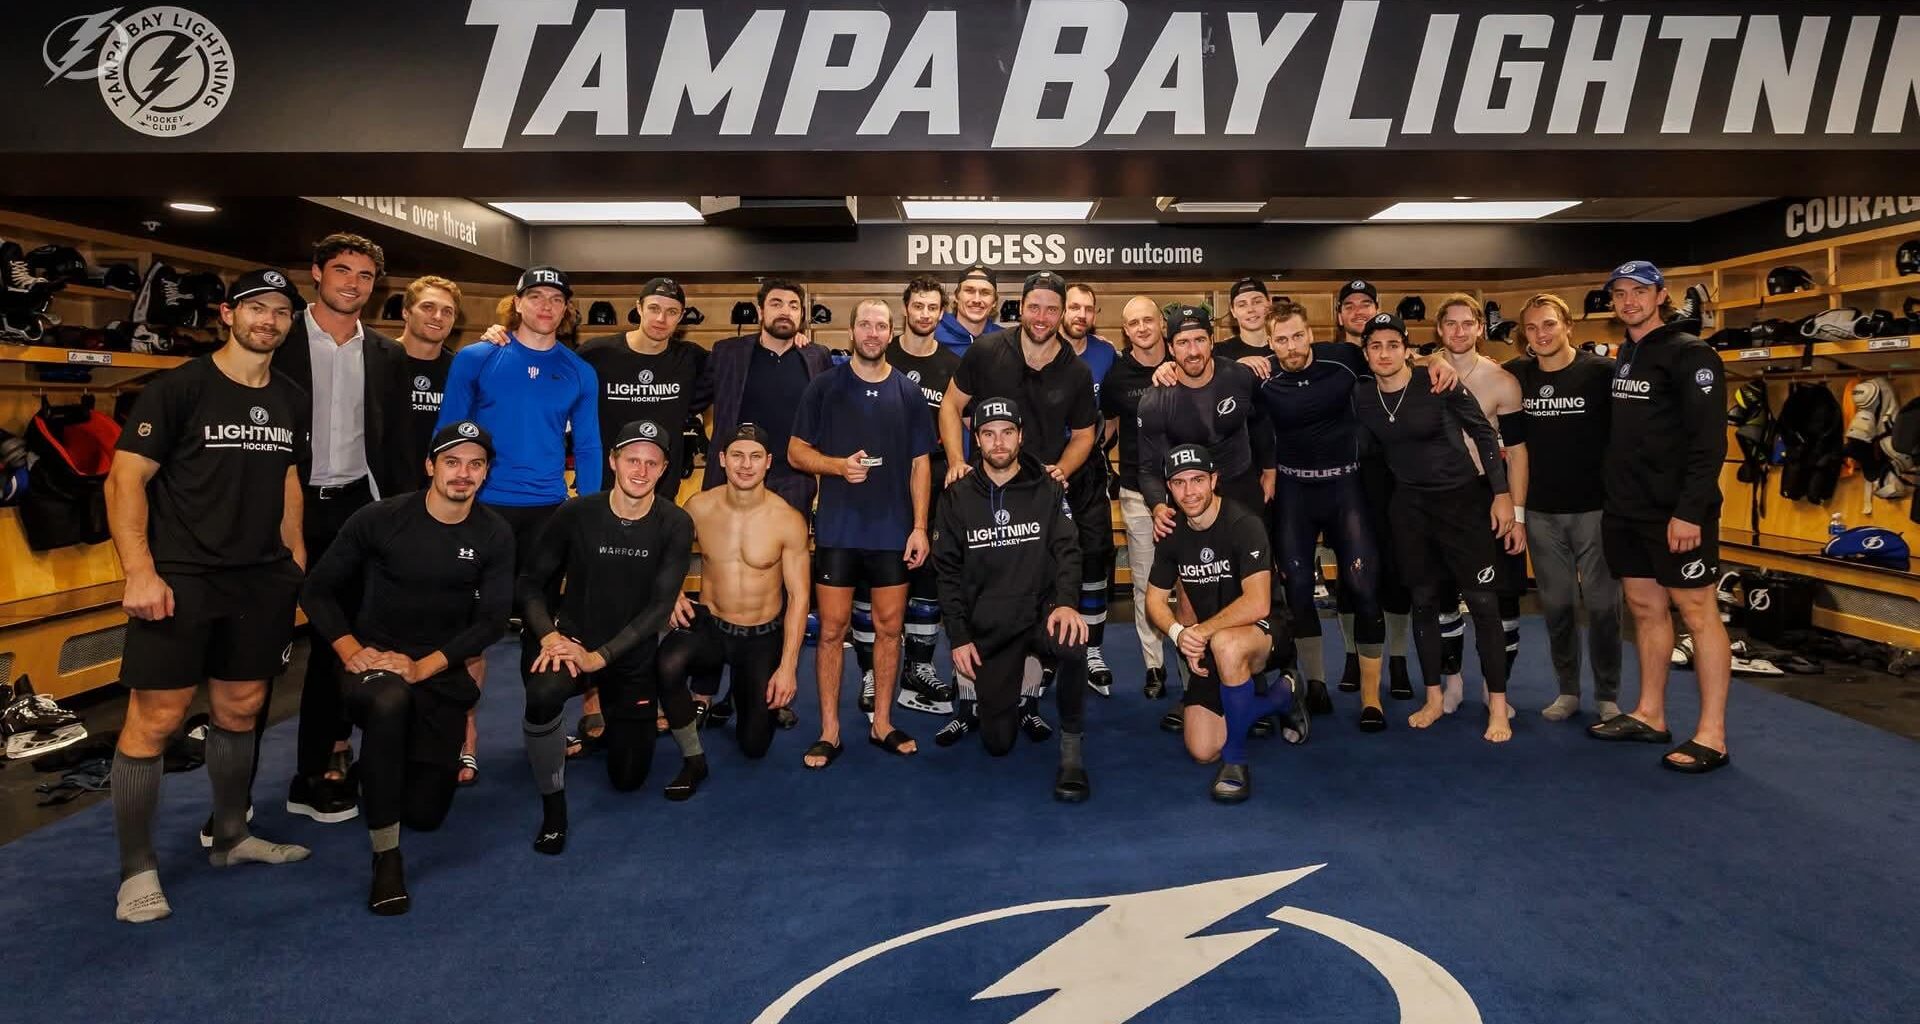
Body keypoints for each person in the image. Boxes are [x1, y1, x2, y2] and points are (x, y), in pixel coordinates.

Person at [106, 268, 314, 923]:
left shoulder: (289, 396)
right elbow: (124, 482)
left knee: (242, 705)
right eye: (256, 308)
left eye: (281, 310)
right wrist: (138, 571)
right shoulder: (179, 389)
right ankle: (136, 869)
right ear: (228, 313)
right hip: (181, 576)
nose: (269, 320)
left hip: (260, 577)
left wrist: (295, 556)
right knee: (158, 717)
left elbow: (286, 476)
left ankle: (231, 835)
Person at [301, 420, 515, 914]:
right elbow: (316, 589)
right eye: (452, 462)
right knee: (390, 702)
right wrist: (350, 648)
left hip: (436, 670)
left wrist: (424, 667)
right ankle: (386, 859)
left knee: (425, 813)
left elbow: (491, 622)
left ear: (485, 474)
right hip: (374, 664)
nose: (463, 474)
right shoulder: (380, 518)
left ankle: (375, 772)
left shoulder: (493, 533)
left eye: (475, 465)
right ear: (430, 466)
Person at [438, 264, 603, 785]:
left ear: (567, 309)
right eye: (536, 296)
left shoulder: (578, 369)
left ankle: (544, 727)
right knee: (468, 628)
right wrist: (451, 501)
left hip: (549, 510)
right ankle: (463, 741)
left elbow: (591, 443)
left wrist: (591, 509)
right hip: (482, 510)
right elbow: (449, 433)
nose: (546, 305)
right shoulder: (478, 358)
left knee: (545, 626)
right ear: (517, 302)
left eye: (556, 298)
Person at [272, 234, 407, 826]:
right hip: (287, 506)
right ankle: (232, 802)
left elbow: (395, 437)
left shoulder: (383, 353)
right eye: (341, 271)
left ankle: (322, 766)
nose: (352, 283)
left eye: (365, 276)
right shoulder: (279, 341)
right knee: (261, 656)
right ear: (315, 273)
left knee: (345, 641)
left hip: (357, 506)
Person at [517, 420, 699, 854]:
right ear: (614, 461)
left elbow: (660, 607)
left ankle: (611, 726)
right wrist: (547, 636)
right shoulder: (578, 512)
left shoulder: (675, 522)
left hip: (629, 654)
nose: (640, 470)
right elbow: (528, 583)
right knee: (542, 694)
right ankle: (554, 811)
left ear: (664, 469)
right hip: (572, 643)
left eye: (651, 463)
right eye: (632, 459)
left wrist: (603, 657)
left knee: (629, 779)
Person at [937, 271, 1098, 745]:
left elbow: (1086, 433)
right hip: (986, 487)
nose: (1043, 317)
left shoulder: (1076, 369)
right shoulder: (986, 351)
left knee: (1043, 590)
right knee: (977, 583)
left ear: (1063, 312)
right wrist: (956, 463)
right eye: (1035, 307)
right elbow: (951, 406)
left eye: (1053, 308)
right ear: (1020, 307)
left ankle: (1030, 696)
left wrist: (1062, 471)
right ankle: (969, 695)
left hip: (1039, 495)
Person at [1587, 261, 1731, 773]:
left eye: (1639, 292)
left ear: (1661, 296)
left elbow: (1710, 441)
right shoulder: (1628, 354)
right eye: (1620, 293)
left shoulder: (1691, 354)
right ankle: (1650, 714)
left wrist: (1689, 511)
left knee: (1697, 611)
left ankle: (1712, 734)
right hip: (1627, 509)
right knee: (1644, 607)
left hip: (1677, 513)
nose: (1628, 301)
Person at [1352, 313, 1520, 742]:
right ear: (1366, 353)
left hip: (1462, 502)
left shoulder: (1437, 381)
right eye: (1376, 346)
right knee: (1424, 602)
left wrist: (1501, 495)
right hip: (1409, 507)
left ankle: (1497, 706)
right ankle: (1433, 697)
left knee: (1484, 604)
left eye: (1394, 344)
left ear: (1407, 348)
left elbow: (1483, 433)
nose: (1385, 353)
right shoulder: (1364, 396)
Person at [788, 298, 935, 766]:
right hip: (838, 530)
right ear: (852, 332)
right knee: (832, 631)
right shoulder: (825, 386)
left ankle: (882, 722)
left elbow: (920, 464)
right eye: (865, 325)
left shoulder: (908, 392)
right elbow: (794, 451)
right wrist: (835, 467)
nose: (873, 333)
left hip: (892, 532)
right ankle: (829, 729)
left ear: (891, 333)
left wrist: (919, 527)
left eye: (881, 326)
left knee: (891, 630)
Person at [930, 397, 1090, 800]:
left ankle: (1072, 753)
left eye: (1006, 433)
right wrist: (960, 636)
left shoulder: (1049, 487)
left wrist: (1067, 602)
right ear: (976, 439)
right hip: (990, 625)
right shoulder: (956, 496)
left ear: (1020, 436)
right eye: (988, 434)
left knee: (1073, 641)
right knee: (998, 744)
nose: (998, 443)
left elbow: (1069, 550)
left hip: (1041, 614)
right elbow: (946, 573)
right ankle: (1015, 695)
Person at [1143, 445, 1307, 803]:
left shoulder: (1243, 523)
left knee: (1227, 644)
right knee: (1202, 750)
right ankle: (1284, 695)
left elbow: (1258, 602)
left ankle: (1236, 763)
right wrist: (1178, 633)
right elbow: (1153, 600)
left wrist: (1200, 632)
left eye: (1198, 480)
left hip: (1267, 631)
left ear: (1214, 480)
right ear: (1169, 488)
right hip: (1211, 645)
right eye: (1180, 483)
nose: (1190, 492)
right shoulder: (1172, 532)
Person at [659, 425, 810, 759]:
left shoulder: (788, 520)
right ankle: (691, 748)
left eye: (755, 457)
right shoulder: (698, 507)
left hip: (760, 635)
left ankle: (737, 696)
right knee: (666, 664)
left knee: (754, 746)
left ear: (768, 462)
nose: (746, 465)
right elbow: (665, 554)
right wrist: (673, 594)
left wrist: (787, 668)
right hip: (711, 627)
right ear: (723, 459)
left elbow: (799, 599)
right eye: (738, 456)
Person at [1508, 294, 1622, 723]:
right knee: (1555, 605)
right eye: (1533, 328)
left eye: (1549, 325)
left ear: (1568, 325)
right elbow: (1473, 375)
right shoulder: (1517, 373)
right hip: (1541, 511)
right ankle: (1569, 690)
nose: (1541, 334)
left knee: (1602, 605)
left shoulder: (1600, 373)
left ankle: (1607, 695)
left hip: (1594, 509)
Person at [1429, 294, 1530, 714]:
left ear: (1479, 328)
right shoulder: (1424, 370)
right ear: (1439, 329)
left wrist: (1517, 512)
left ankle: (1496, 687)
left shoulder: (1502, 381)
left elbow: (1519, 452)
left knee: (1500, 597)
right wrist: (1426, 361)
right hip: (1439, 496)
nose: (1458, 331)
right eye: (1450, 324)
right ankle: (1451, 680)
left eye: (1467, 323)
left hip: (1488, 494)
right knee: (1442, 595)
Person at [869, 276, 962, 717]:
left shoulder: (952, 365)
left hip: (936, 477)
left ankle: (918, 669)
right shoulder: (883, 354)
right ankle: (871, 672)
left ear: (941, 313)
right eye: (917, 306)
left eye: (932, 308)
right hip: (880, 479)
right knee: (877, 576)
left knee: (927, 575)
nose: (925, 314)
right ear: (904, 308)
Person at [1332, 279, 1416, 699]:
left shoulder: (1413, 361)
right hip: (1350, 481)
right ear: (1340, 313)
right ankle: (1351, 655)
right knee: (1352, 576)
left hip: (1398, 482)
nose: (1359, 310)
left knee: (1398, 575)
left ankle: (1398, 661)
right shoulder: (1329, 356)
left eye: (1367, 303)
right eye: (1350, 305)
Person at [1101, 295, 1177, 707]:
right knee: (1147, 582)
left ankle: (1192, 658)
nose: (1143, 328)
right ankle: (1154, 664)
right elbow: (1108, 425)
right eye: (1134, 323)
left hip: (1190, 493)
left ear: (1161, 324)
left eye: (1149, 320)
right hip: (1136, 490)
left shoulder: (1187, 360)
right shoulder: (1117, 376)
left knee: (1192, 582)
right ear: (1125, 331)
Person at [702, 279, 833, 516]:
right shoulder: (727, 353)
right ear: (761, 311)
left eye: (794, 306)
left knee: (789, 552)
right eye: (776, 304)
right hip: (737, 475)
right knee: (730, 551)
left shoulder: (817, 356)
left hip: (794, 479)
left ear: (802, 315)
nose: (785, 311)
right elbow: (695, 398)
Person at [574, 277, 713, 475]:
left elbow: (734, 376)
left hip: (663, 482)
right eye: (654, 308)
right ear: (639, 308)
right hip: (603, 479)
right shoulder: (596, 353)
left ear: (681, 316)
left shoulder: (692, 358)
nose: (661, 319)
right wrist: (513, 340)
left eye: (671, 312)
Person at [1061, 282, 1119, 696]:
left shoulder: (1105, 354)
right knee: (1044, 559)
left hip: (1089, 471)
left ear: (1094, 314)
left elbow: (1111, 415)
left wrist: (1097, 445)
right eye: (1073, 307)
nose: (1080, 314)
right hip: (1044, 469)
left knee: (1095, 556)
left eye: (1087, 308)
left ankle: (1093, 650)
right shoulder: (1042, 351)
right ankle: (1049, 650)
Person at [386, 275, 461, 492]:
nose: (438, 316)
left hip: (437, 491)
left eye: (447, 311)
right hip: (380, 489)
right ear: (406, 312)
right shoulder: (376, 359)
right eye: (428, 307)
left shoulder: (460, 370)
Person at [934, 263, 1002, 358]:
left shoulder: (1005, 341)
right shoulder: (934, 336)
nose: (976, 300)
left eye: (985, 293)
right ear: (956, 297)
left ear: (994, 302)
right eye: (969, 291)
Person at [1215, 277, 1275, 364]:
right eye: (1242, 305)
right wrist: (1235, 367)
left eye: (1257, 302)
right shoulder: (1219, 352)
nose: (1250, 309)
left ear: (1269, 302)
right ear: (1233, 311)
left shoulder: (1286, 346)